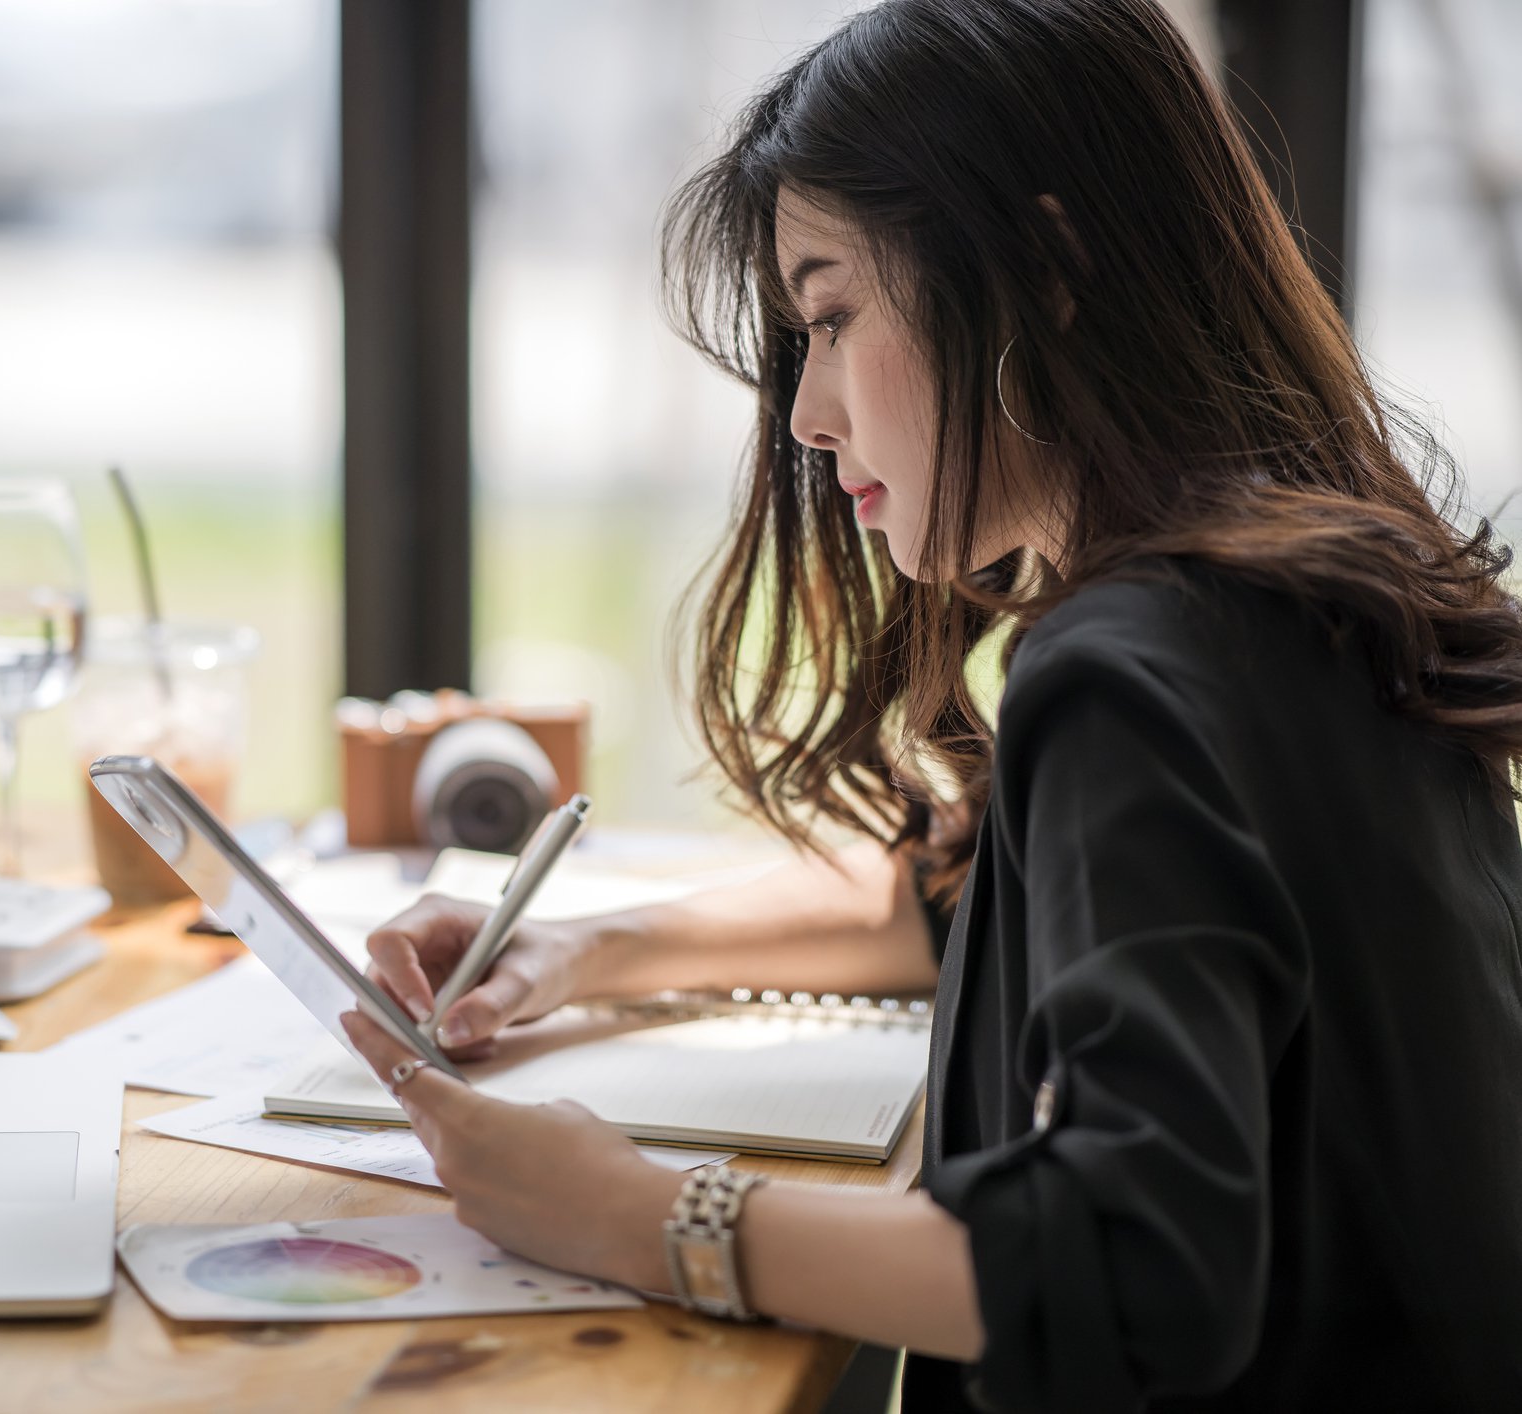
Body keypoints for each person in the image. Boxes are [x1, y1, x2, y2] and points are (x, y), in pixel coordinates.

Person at [339, 0, 1522, 1408]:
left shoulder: (1132, 669)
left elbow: (1138, 1265)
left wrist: (639, 1214)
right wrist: (581, 950)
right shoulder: (1308, 591)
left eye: (835, 316)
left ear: (1045, 267)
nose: (806, 414)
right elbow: (976, 899)